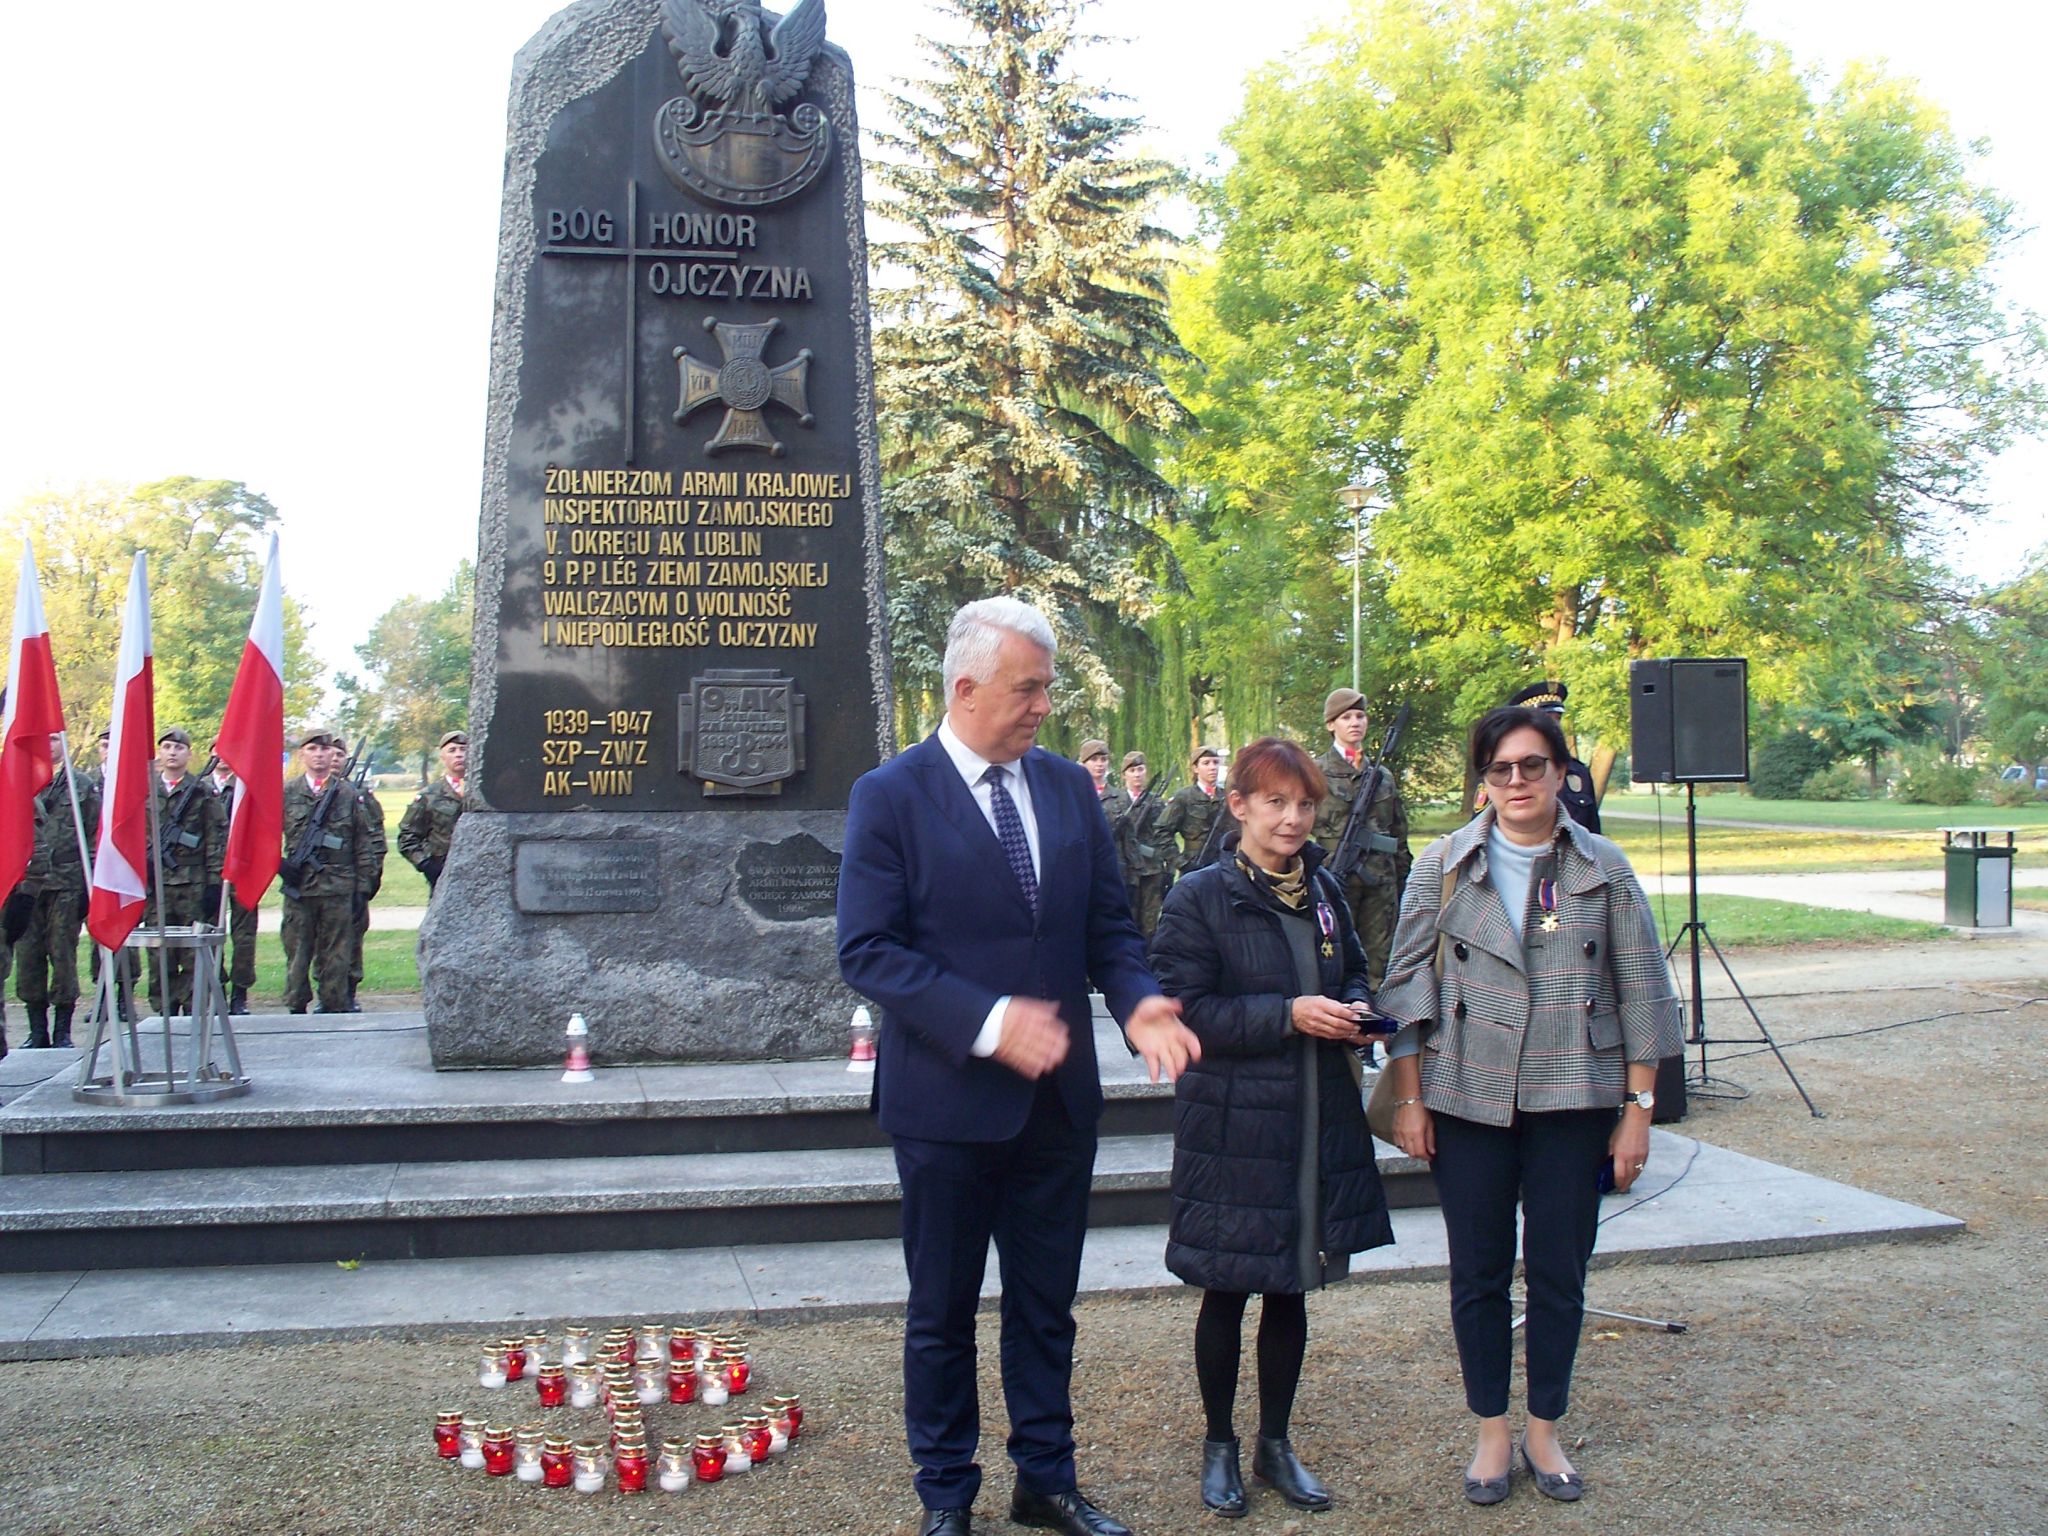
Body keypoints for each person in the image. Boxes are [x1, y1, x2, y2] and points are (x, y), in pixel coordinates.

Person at [837, 596, 1199, 1536]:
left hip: (1056, 1107)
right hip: (946, 1106)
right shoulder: (891, 794)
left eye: (1047, 686)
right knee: (943, 1314)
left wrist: (1137, 1000)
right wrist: (989, 1021)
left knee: (1046, 1308)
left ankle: (1046, 1478)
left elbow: (1107, 927)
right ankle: (946, 1494)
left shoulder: (1068, 790)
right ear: (965, 688)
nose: (1045, 705)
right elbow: (867, 951)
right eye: (1027, 687)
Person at [1375, 705, 1680, 1506]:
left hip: (1573, 1095)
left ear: (1559, 773)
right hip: (1465, 1094)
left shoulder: (1602, 866)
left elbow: (1643, 989)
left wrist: (1638, 1110)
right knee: (1477, 1272)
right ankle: (1490, 1428)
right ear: (1483, 777)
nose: (1518, 782)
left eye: (1533, 766)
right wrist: (1410, 1098)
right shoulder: (1442, 864)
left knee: (1557, 1272)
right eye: (1502, 768)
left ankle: (1544, 1425)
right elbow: (1408, 985)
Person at [1147, 737, 1395, 1516]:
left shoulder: (1321, 887)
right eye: (1277, 802)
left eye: (1306, 804)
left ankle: (1275, 1444)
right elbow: (1185, 1011)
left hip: (1315, 1113)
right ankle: (1219, 1444)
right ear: (1240, 806)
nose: (1293, 819)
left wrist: (1355, 1007)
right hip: (1234, 1122)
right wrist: (1287, 1015)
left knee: (1294, 1286)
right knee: (1228, 1289)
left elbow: (1352, 964)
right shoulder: (1199, 897)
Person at [1311, 688, 1411, 990]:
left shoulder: (1382, 776)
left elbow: (1398, 833)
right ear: (1331, 725)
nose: (1355, 722)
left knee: (1379, 961)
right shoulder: (1315, 773)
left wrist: (1404, 880)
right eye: (1346, 717)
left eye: (1360, 716)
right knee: (1333, 959)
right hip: (1334, 879)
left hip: (1380, 883)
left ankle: (1373, 1028)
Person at [280, 727, 380, 1015]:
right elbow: (262, 835)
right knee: (298, 951)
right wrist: (280, 866)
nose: (320, 755)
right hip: (300, 888)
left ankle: (333, 1006)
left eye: (325, 750)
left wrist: (363, 887)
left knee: (336, 953)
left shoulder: (347, 793)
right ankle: (296, 1006)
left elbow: (363, 841)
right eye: (312, 749)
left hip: (338, 886)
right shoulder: (287, 792)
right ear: (302, 754)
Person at [15, 734, 98, 1048]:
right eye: (42, 739)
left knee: (63, 954)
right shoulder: (17, 781)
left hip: (67, 882)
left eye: (53, 739)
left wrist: (89, 884)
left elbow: (94, 834)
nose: (48, 745)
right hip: (26, 885)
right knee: (28, 954)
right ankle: (37, 1031)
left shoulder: (82, 785)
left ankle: (63, 1029)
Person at [147, 728, 226, 1016]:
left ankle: (195, 1012)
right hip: (157, 887)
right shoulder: (147, 790)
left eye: (178, 748)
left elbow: (216, 837)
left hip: (193, 884)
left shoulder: (203, 791)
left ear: (189, 754)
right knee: (159, 953)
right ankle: (164, 1012)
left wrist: (214, 883)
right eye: (166, 746)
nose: (172, 752)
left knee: (194, 953)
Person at [1502, 682, 1601, 832]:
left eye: (1557, 719)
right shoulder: (1502, 770)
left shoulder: (1577, 772)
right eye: (1546, 720)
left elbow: (1592, 833)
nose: (1554, 726)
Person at [208, 745, 258, 1015]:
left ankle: (240, 994)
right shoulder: (200, 788)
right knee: (210, 935)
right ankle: (214, 990)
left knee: (244, 937)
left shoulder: (247, 787)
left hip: (243, 871)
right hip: (207, 875)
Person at [342, 732, 388, 1012]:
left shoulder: (358, 797)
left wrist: (369, 878)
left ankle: (345, 994)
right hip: (310, 883)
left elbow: (373, 838)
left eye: (337, 754)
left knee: (350, 941)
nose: (332, 759)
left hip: (350, 879)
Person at [398, 729, 470, 895]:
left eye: (463, 749)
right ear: (442, 757)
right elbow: (407, 837)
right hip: (443, 874)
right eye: (452, 750)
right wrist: (426, 864)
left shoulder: (486, 791)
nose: (459, 755)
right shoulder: (429, 795)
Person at [1115, 751, 1171, 938]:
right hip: (1127, 871)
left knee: (1150, 923)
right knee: (1127, 919)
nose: (1137, 774)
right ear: (1124, 774)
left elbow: (1165, 834)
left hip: (1151, 870)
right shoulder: (1115, 801)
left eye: (1140, 769)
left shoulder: (1156, 801)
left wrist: (1169, 870)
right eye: (1132, 770)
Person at [1155, 744, 1235, 877]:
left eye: (1216, 762)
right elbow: (1161, 832)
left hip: (1225, 865)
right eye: (1206, 763)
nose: (1212, 767)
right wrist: (1181, 862)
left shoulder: (1227, 797)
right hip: (1194, 866)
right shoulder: (1184, 797)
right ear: (1195, 768)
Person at [1077, 738, 1127, 826]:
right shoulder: (1074, 795)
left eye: (1103, 759)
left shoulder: (1121, 797)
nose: (1100, 764)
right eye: (1094, 759)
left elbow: (1129, 835)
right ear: (1083, 763)